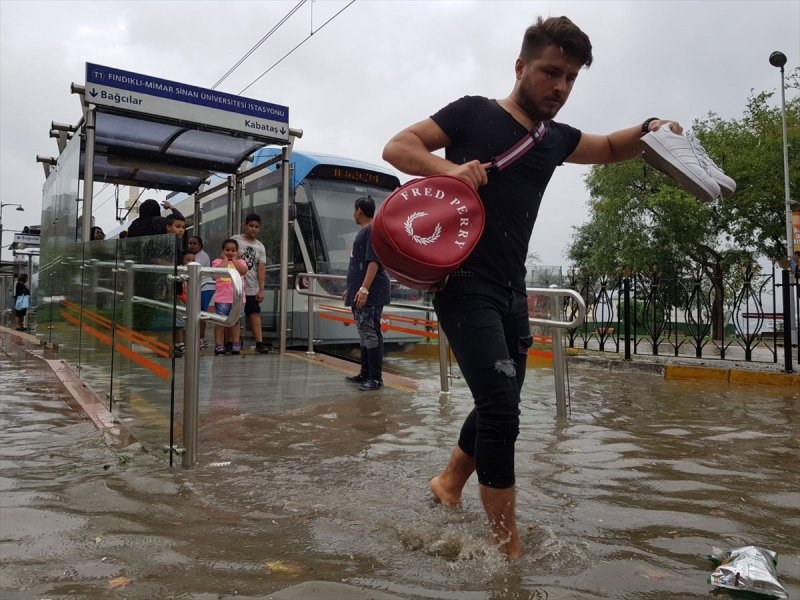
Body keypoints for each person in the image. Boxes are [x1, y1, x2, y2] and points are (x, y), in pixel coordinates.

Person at [382, 15, 682, 559]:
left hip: (511, 289)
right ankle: (507, 548)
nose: (560, 87)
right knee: (501, 406)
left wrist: (650, 127)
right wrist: (444, 171)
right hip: (463, 282)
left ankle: (449, 483)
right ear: (521, 66)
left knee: (506, 396)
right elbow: (397, 147)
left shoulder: (554, 139)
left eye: (570, 77)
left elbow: (612, 147)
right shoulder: (473, 112)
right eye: (551, 72)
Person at [343, 196, 391, 391]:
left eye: (354, 210)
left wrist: (364, 289)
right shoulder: (365, 231)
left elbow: (373, 261)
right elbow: (359, 265)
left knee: (371, 333)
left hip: (371, 292)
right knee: (365, 332)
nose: (353, 214)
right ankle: (365, 373)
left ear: (359, 210)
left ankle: (375, 378)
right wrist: (353, 289)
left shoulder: (371, 231)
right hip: (362, 291)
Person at [232, 214, 270, 354]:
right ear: (245, 225)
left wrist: (261, 289)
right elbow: (227, 255)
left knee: (254, 313)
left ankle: (259, 343)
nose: (254, 229)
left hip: (252, 286)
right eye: (251, 225)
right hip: (236, 285)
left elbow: (261, 268)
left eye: (256, 227)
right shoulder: (236, 239)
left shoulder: (260, 246)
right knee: (234, 314)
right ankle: (231, 342)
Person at [212, 239, 248, 355]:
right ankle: (218, 344)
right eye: (227, 250)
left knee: (236, 321)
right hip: (222, 298)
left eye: (233, 250)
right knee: (220, 322)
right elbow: (216, 274)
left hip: (237, 299)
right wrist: (225, 260)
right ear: (222, 251)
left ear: (237, 252)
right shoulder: (217, 262)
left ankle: (235, 343)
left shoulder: (241, 262)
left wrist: (235, 261)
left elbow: (243, 271)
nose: (230, 252)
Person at [188, 235, 215, 349]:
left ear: (200, 245)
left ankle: (201, 338)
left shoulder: (202, 256)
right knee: (195, 312)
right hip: (196, 287)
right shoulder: (191, 255)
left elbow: (190, 268)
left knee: (202, 314)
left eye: (194, 243)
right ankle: (196, 337)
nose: (192, 246)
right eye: (190, 243)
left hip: (206, 287)